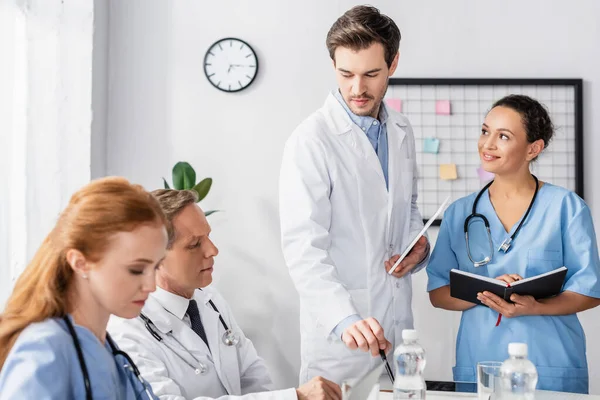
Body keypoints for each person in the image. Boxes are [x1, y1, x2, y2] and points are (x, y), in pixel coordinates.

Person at [279, 5, 430, 385]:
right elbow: (302, 247)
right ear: (333, 65)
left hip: (397, 327)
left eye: (370, 74)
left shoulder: (401, 129)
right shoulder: (311, 140)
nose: (357, 88)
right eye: (345, 74)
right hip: (341, 339)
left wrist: (418, 246)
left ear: (393, 64)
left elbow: (407, 206)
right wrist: (343, 318)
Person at [426, 94, 600, 394]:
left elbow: (589, 292)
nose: (487, 144)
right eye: (485, 131)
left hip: (549, 361)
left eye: (503, 136)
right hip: (479, 361)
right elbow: (439, 293)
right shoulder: (460, 213)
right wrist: (488, 292)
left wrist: (534, 307)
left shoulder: (566, 207)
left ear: (534, 148)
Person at [108, 189, 341, 400]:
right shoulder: (126, 331)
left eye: (208, 236)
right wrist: (294, 397)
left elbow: (253, 377)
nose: (213, 250)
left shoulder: (210, 301)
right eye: (195, 244)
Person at [0, 177, 168, 399]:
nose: (151, 286)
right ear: (80, 263)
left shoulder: (108, 351)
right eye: (136, 270)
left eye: (156, 267)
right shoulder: (45, 351)